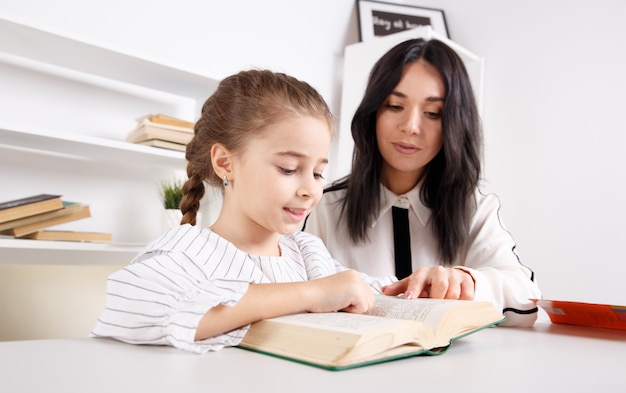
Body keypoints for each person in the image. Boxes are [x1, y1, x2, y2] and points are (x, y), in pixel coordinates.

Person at [91, 69, 377, 353]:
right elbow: (135, 310)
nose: (310, 190)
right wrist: (311, 294)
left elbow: (359, 287)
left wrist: (414, 283)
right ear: (225, 163)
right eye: (288, 169)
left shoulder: (307, 253)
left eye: (317, 173)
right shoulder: (187, 250)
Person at [304, 38, 541, 326]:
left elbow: (527, 301)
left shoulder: (475, 210)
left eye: (433, 113)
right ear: (373, 113)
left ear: (454, 123)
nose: (411, 126)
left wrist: (465, 280)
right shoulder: (322, 207)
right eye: (394, 105)